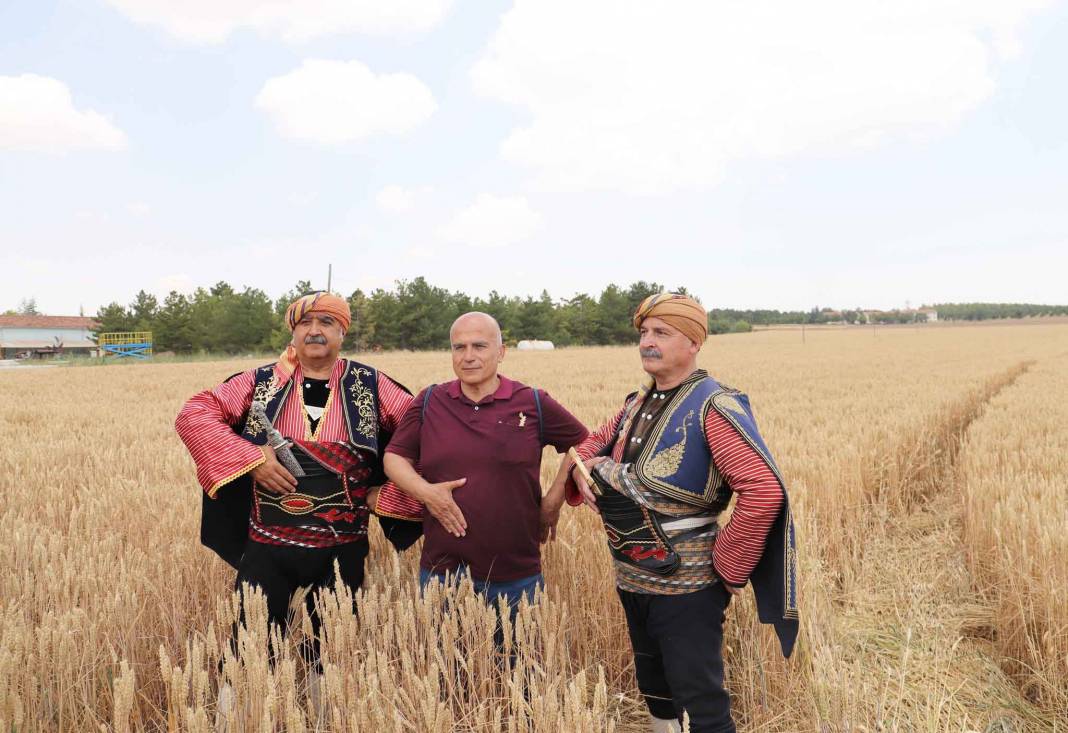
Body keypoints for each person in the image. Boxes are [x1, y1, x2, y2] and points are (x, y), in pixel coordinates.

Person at [566, 293, 798, 733]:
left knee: (700, 700)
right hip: (631, 576)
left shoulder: (713, 405)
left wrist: (727, 568)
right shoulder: (638, 402)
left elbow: (763, 490)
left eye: (661, 333)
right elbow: (587, 446)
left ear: (693, 342)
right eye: (643, 333)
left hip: (688, 587)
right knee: (654, 686)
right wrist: (583, 472)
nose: (646, 342)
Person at [175, 292, 418, 687]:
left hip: (343, 547)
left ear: (342, 332)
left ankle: (328, 715)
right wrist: (251, 458)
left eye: (326, 322)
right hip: (268, 546)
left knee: (334, 657)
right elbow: (195, 413)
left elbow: (422, 432)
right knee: (249, 650)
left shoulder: (370, 385)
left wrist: (385, 494)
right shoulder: (260, 382)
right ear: (293, 332)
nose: (315, 330)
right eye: (305, 323)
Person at [382, 312, 588, 622]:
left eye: (479, 346)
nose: (468, 357)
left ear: (501, 352)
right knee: (444, 666)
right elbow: (394, 457)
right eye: (459, 347)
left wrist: (553, 500)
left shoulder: (532, 402)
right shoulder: (430, 401)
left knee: (521, 666)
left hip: (515, 575)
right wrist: (426, 493)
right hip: (442, 572)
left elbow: (584, 445)